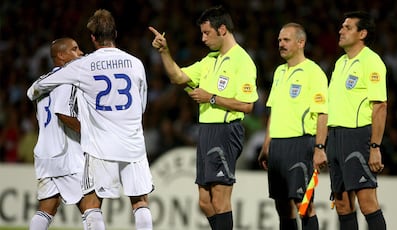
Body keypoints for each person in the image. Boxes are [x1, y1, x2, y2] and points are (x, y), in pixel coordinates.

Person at [27, 9, 154, 230]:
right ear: (115, 33)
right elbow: (141, 104)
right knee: (141, 202)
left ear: (93, 38)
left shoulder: (83, 65)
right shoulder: (136, 63)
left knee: (91, 204)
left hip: (100, 146)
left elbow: (43, 84)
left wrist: (34, 89)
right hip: (132, 143)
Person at [149, 5, 258, 230]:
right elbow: (178, 77)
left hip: (226, 131)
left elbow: (247, 105)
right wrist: (164, 52)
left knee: (219, 199)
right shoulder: (210, 60)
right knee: (205, 201)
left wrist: (211, 98)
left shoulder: (242, 61)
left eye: (207, 33)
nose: (202, 38)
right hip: (207, 131)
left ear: (223, 30)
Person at [257, 23, 328, 230]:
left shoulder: (313, 72)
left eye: (286, 40)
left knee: (304, 204)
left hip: (301, 144)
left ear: (301, 42)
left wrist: (319, 148)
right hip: (277, 146)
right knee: (282, 206)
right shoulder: (279, 72)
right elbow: (274, 111)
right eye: (279, 40)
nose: (281, 44)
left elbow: (323, 113)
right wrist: (266, 145)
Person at [327, 11, 387, 230]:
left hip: (357, 136)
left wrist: (374, 146)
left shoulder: (371, 62)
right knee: (342, 204)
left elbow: (380, 106)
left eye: (348, 27)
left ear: (362, 33)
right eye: (342, 26)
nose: (341, 31)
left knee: (367, 202)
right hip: (335, 137)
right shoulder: (340, 63)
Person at [29, 37, 86, 229]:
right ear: (61, 55)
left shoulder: (42, 81)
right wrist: (91, 133)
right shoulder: (68, 80)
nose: (81, 53)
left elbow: (31, 92)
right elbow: (63, 114)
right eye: (75, 49)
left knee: (47, 208)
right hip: (66, 154)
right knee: (91, 205)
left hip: (44, 154)